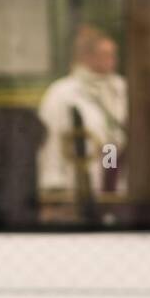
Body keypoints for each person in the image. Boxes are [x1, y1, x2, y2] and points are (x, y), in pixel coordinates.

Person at [36, 24, 128, 215]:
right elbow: (50, 144)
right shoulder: (61, 93)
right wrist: (54, 189)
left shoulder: (121, 88)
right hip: (77, 185)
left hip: (117, 177)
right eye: (106, 55)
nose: (112, 61)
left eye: (113, 54)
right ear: (87, 57)